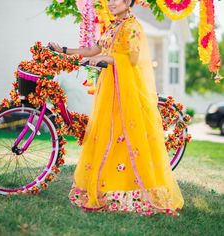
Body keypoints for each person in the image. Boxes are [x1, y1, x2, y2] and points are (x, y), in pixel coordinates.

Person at [49, 0, 184, 217]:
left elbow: (133, 59)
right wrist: (65, 50)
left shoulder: (133, 27)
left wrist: (107, 58)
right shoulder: (113, 26)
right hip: (109, 91)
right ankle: (105, 186)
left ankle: (132, 191)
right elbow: (94, 49)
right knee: (107, 135)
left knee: (126, 135)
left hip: (127, 92)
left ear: (128, 2)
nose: (111, 3)